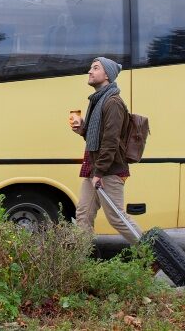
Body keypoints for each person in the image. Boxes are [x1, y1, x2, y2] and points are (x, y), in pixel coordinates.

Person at [70, 57, 139, 245]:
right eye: (90, 68)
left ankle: (153, 255)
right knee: (83, 215)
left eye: (95, 68)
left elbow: (111, 141)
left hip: (108, 170)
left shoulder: (113, 102)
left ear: (107, 75)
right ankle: (80, 262)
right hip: (95, 168)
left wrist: (99, 172)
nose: (89, 71)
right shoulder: (97, 101)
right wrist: (82, 130)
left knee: (117, 218)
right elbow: (99, 138)